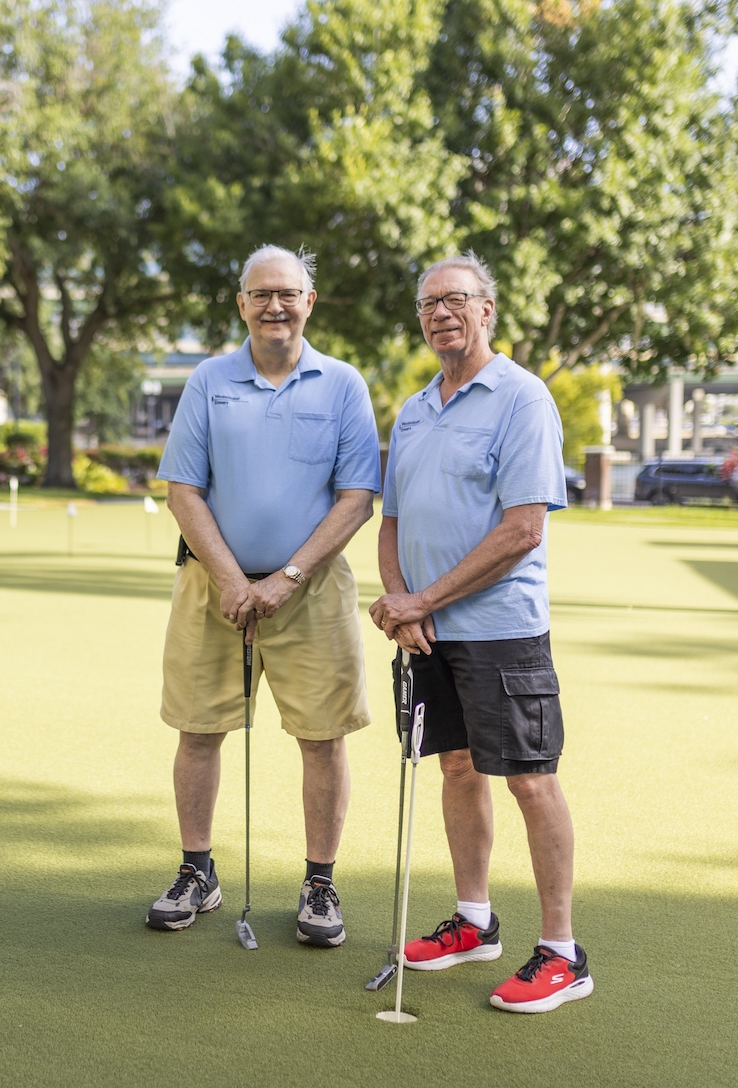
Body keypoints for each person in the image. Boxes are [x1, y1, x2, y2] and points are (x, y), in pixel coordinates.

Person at [369, 252, 593, 1013]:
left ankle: (563, 952)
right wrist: (402, 601)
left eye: (455, 300)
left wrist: (422, 596)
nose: (440, 314)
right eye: (428, 304)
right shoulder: (413, 407)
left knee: (531, 777)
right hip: (429, 629)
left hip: (502, 629)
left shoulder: (522, 398)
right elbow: (391, 520)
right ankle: (474, 922)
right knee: (456, 768)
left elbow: (522, 529)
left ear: (488, 309)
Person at [147, 245, 380, 947]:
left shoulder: (343, 384)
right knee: (198, 728)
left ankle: (319, 882)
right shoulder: (207, 380)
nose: (275, 305)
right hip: (211, 587)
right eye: (261, 294)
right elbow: (182, 488)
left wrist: (287, 578)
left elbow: (357, 497)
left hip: (311, 590)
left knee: (323, 736)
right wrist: (230, 579)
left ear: (310, 301)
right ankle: (198, 871)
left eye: (288, 292)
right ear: (241, 304)